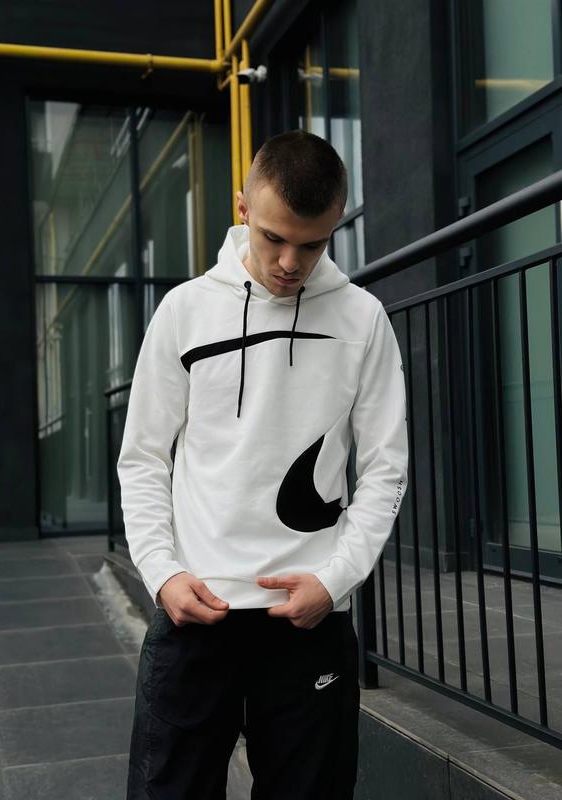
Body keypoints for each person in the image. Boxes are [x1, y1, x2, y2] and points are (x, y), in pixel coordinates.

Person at [118, 129, 408, 800]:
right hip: (196, 608)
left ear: (336, 222)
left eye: (312, 244)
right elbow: (143, 457)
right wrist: (161, 573)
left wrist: (336, 579)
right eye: (274, 237)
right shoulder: (185, 311)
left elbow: (385, 469)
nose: (288, 262)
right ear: (243, 206)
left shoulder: (363, 320)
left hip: (308, 616)